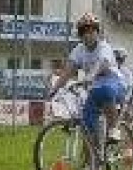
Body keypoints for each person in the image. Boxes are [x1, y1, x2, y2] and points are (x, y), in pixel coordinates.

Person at [47, 13, 128, 146]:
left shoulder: (104, 47)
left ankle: (114, 129)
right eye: (84, 32)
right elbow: (67, 71)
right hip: (94, 87)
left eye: (92, 31)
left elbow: (102, 63)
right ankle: (93, 163)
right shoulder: (79, 50)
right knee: (87, 124)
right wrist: (55, 88)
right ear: (80, 35)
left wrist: (91, 76)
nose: (88, 35)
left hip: (115, 83)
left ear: (97, 32)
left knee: (105, 90)